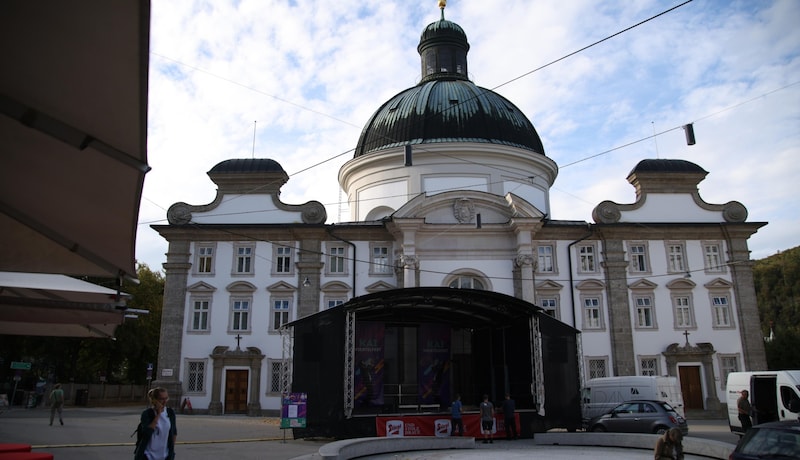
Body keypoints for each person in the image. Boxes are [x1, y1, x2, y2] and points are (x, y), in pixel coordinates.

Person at [135, 387, 177, 460]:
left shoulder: (170, 413)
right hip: (148, 455)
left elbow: (174, 432)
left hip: (165, 455)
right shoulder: (147, 414)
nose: (164, 401)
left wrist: (171, 451)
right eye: (161, 399)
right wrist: (158, 414)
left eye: (166, 398)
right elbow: (147, 433)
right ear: (154, 400)